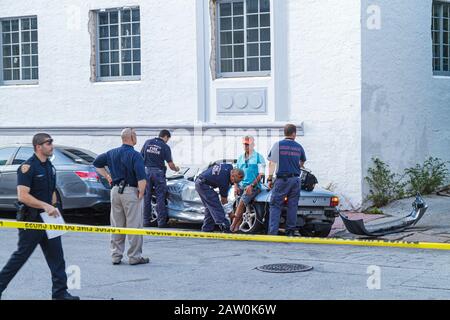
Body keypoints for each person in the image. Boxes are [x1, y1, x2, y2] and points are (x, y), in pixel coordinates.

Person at [0, 133, 79, 300]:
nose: (52, 145)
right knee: (20, 257)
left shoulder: (50, 167)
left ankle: (60, 293)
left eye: (51, 142)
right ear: (38, 146)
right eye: (48, 143)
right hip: (32, 220)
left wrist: (56, 208)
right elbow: (23, 196)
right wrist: (45, 205)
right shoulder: (27, 167)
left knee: (57, 258)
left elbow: (51, 192)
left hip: (49, 220)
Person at [93, 128, 149, 266]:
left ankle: (115, 256)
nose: (136, 137)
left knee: (117, 225)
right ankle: (134, 256)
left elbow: (96, 163)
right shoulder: (135, 155)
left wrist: (107, 176)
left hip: (115, 191)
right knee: (134, 225)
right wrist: (141, 193)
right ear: (131, 137)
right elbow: (142, 177)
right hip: (131, 191)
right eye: (135, 135)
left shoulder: (111, 153)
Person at [267, 124, 307, 236]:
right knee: (292, 206)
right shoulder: (299, 147)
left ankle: (273, 233)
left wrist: (269, 179)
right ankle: (290, 233)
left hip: (282, 180)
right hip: (295, 180)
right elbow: (302, 162)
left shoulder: (278, 145)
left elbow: (272, 163)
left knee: (275, 205)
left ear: (285, 133)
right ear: (294, 133)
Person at [141, 130, 180, 228]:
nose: (167, 141)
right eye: (168, 139)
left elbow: (140, 157)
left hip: (146, 172)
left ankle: (146, 221)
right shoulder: (165, 146)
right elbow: (170, 165)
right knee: (160, 197)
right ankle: (161, 222)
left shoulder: (147, 142)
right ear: (166, 136)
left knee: (147, 197)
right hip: (158, 173)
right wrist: (177, 169)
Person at [230, 136, 266, 232]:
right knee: (238, 206)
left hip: (253, 187)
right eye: (245, 144)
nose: (246, 146)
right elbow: (235, 174)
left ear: (253, 145)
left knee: (241, 203)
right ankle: (237, 227)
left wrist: (252, 185)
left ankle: (231, 227)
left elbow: (261, 174)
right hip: (241, 186)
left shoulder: (259, 157)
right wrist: (236, 186)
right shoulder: (240, 158)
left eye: (248, 144)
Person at [195, 163, 244, 232]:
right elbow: (224, 200)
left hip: (200, 182)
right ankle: (225, 226)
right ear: (232, 176)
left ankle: (207, 229)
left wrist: (236, 182)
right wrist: (230, 214)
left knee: (210, 207)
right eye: (234, 181)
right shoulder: (224, 181)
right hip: (203, 185)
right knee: (215, 205)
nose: (233, 183)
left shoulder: (229, 167)